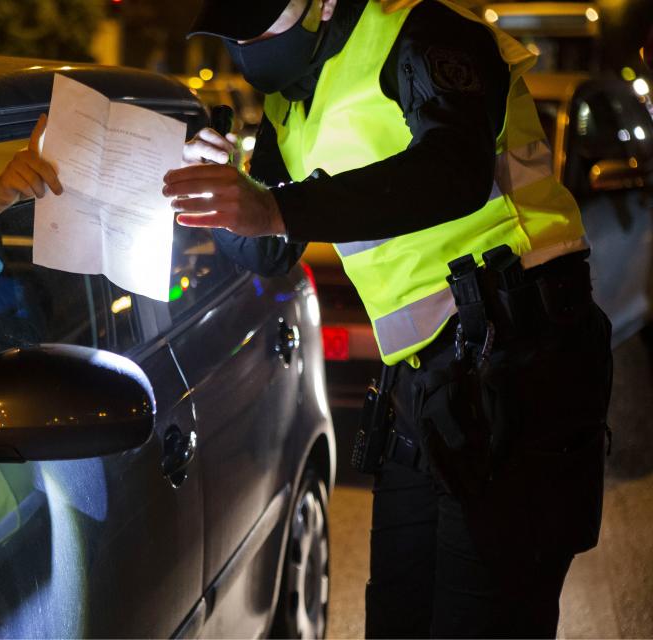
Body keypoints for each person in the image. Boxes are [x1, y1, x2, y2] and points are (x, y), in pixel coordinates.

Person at [166, 0, 613, 638]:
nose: (247, 41)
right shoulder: (289, 101)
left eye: (262, 19)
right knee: (397, 620)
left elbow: (453, 169)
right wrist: (221, 190)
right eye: (234, 30)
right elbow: (269, 248)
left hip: (520, 350)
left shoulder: (423, 29)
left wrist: (276, 210)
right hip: (424, 383)